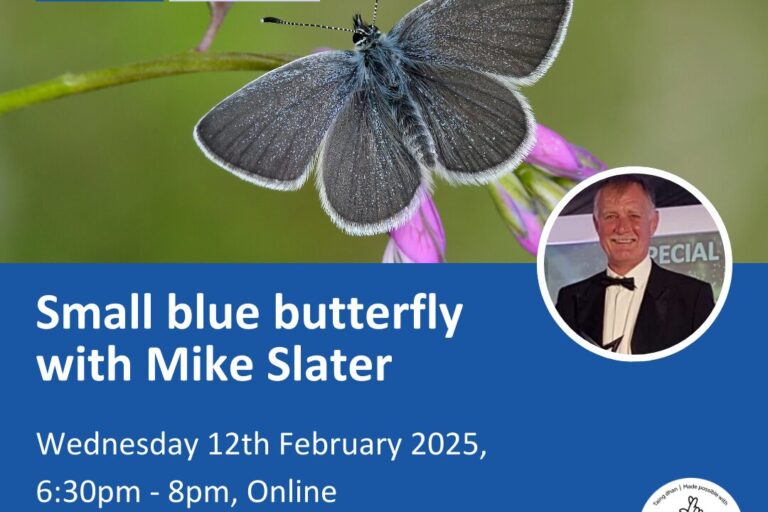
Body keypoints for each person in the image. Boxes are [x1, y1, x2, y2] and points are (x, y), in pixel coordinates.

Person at [555, 176, 715, 355]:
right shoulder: (569, 300)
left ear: (653, 223)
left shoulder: (693, 297)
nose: (622, 228)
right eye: (610, 216)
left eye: (634, 216)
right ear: (596, 224)